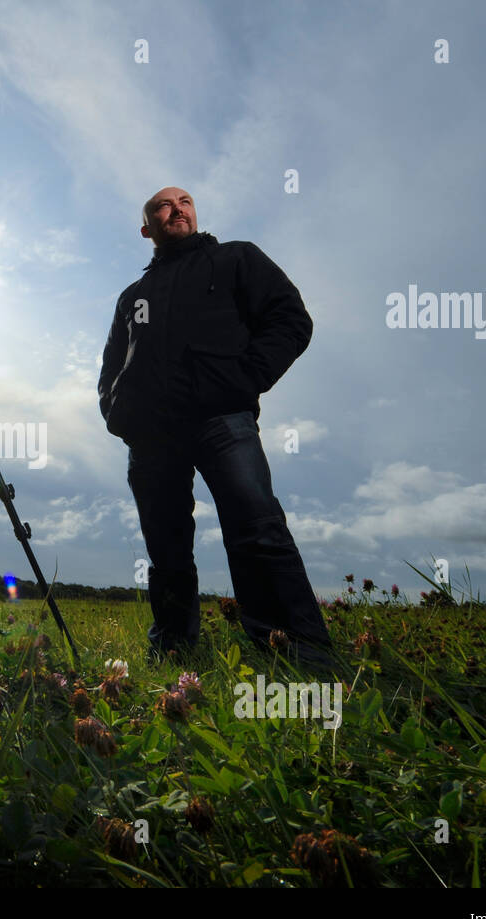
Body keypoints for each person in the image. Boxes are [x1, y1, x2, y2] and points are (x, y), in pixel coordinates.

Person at [98, 186, 337, 669]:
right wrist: (119, 411)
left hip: (221, 419)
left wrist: (242, 378)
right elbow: (110, 366)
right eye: (162, 206)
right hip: (151, 437)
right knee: (165, 549)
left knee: (257, 530)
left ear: (195, 212)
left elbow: (290, 318)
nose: (176, 209)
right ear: (147, 228)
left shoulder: (235, 259)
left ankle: (294, 655)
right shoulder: (133, 297)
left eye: (184, 201)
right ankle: (172, 651)